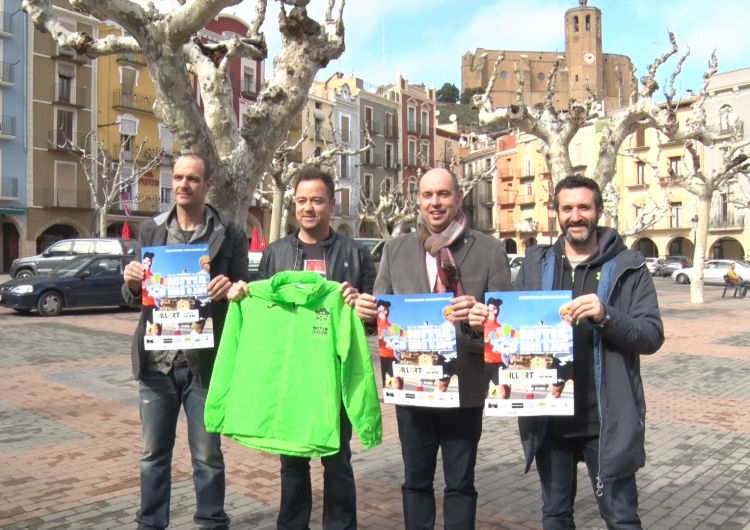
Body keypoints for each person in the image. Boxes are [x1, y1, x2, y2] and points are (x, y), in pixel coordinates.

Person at [469, 175, 664, 530]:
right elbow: (511, 327)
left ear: (599, 211)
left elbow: (651, 336)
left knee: (621, 518)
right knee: (555, 515)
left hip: (606, 419)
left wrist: (607, 316)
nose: (576, 216)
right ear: (556, 213)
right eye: (568, 208)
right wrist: (486, 322)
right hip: (548, 419)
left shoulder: (629, 266)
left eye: (584, 208)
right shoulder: (534, 264)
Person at [354, 167, 511, 530]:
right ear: (419, 201)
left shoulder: (489, 250)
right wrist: (366, 314)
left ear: (458, 197)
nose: (435, 203)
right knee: (416, 483)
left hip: (466, 390)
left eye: (443, 194)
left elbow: (504, 328)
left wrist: (480, 321)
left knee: (460, 484)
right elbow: (381, 316)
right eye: (427, 195)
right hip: (412, 388)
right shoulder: (395, 251)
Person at [226, 166, 376, 530]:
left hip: (333, 375)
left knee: (337, 460)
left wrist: (363, 306)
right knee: (291, 462)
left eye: (317, 201)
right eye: (302, 200)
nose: (308, 208)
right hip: (289, 376)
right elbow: (264, 308)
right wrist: (241, 294)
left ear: (331, 204)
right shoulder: (275, 253)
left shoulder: (355, 254)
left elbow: (375, 314)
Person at [122, 153, 249, 530]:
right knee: (152, 456)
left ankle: (212, 522)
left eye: (192, 178)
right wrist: (130, 282)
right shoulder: (152, 230)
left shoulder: (229, 231)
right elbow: (135, 298)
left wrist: (231, 289)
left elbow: (245, 289)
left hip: (204, 363)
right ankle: (150, 524)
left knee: (208, 457)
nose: (182, 185)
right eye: (177, 177)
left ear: (207, 185)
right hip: (156, 364)